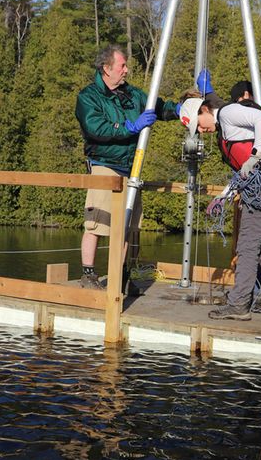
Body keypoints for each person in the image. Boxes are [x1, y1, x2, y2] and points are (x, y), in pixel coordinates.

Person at [179, 87, 261, 321]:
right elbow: (241, 173)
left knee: (248, 242)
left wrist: (254, 155)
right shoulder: (226, 131)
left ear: (205, 109)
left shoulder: (227, 113)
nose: (201, 131)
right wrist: (223, 196)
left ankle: (239, 304)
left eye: (199, 124)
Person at [74, 44, 181, 289]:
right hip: (105, 164)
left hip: (130, 167)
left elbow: (158, 105)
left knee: (128, 225)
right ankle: (88, 274)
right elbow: (96, 128)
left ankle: (119, 276)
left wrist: (179, 109)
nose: (126, 70)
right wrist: (130, 126)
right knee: (97, 221)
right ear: (106, 68)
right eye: (122, 65)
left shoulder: (132, 94)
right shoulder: (88, 97)